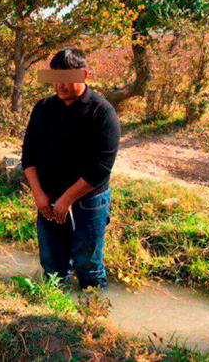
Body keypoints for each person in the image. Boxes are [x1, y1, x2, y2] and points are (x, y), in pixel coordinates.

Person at [21, 47, 121, 290]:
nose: (60, 85)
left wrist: (67, 199)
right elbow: (28, 156)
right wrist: (38, 194)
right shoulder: (43, 108)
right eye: (55, 78)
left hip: (88, 202)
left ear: (84, 75)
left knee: (88, 266)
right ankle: (55, 308)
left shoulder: (102, 112)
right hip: (48, 199)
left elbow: (101, 169)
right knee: (52, 265)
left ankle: (93, 309)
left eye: (66, 79)